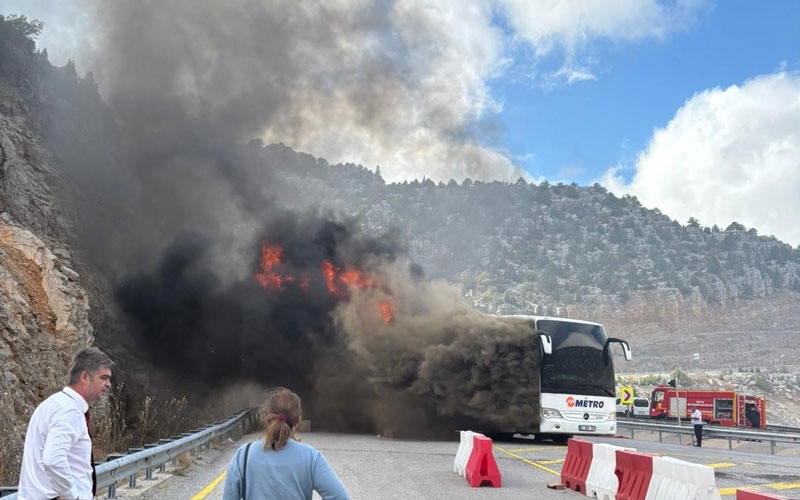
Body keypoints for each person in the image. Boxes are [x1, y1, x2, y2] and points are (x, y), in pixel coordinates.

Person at [18, 347, 114, 500]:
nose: (108, 384)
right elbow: (53, 459)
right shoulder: (70, 411)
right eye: (103, 378)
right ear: (84, 377)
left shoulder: (52, 403)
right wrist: (72, 496)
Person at [222, 387, 350, 500]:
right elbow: (340, 497)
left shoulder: (244, 455)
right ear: (298, 420)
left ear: (266, 417)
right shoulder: (311, 457)